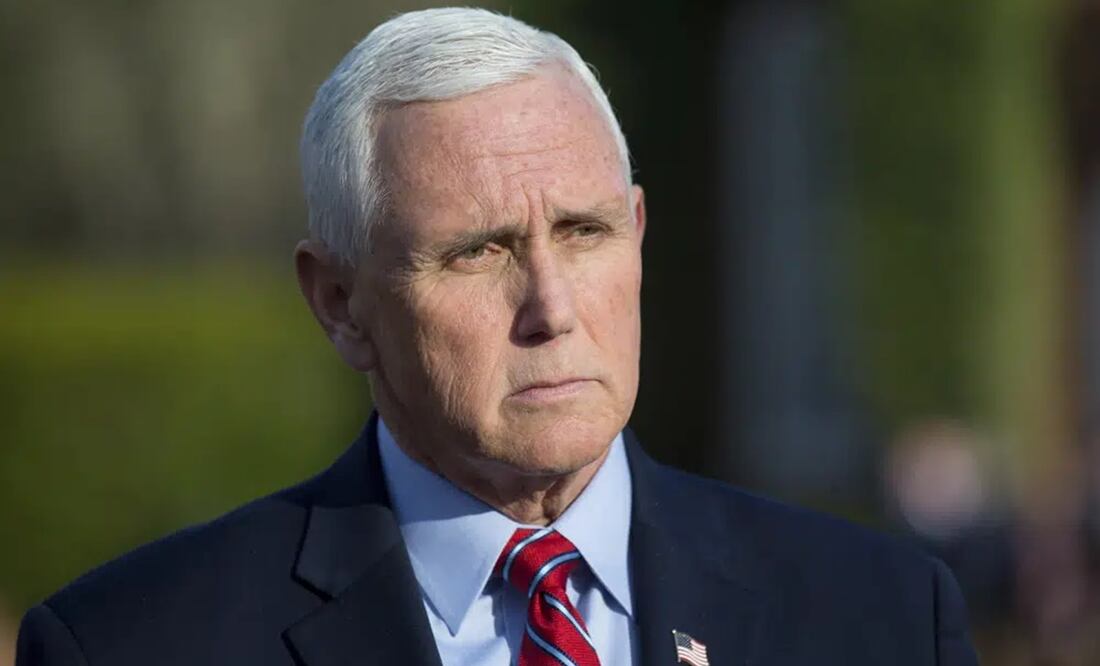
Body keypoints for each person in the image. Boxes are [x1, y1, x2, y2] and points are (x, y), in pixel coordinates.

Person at [15, 8, 979, 666]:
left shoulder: (882, 619)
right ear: (341, 303)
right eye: (479, 252)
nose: (552, 307)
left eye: (585, 232)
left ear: (638, 235)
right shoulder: (135, 644)